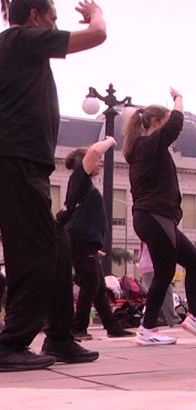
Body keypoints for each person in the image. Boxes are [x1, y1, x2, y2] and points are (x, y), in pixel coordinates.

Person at [0, 0, 107, 371]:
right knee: (40, 250)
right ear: (34, 17)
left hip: (24, 164)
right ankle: (11, 341)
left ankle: (60, 338)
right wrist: (95, 13)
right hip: (15, 162)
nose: (55, 27)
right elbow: (97, 35)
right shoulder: (21, 39)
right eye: (53, 19)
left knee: (58, 243)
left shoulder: (18, 48)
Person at [124, 89, 196, 346]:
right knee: (166, 272)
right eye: (162, 122)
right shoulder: (149, 145)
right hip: (155, 216)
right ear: (155, 123)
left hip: (153, 217)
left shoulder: (143, 150)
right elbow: (175, 125)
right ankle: (154, 327)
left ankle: (178, 320)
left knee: (193, 263)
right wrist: (179, 99)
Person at [58, 138, 134, 340]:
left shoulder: (81, 184)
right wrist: (110, 141)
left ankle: (112, 326)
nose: (99, 163)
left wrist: (94, 244)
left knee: (99, 286)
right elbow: (92, 152)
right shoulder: (80, 178)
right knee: (91, 282)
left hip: (85, 241)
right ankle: (78, 327)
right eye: (97, 161)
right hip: (81, 240)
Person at [138, 243, 181, 327]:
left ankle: (146, 320)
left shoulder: (146, 233)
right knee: (165, 291)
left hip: (147, 265)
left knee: (156, 294)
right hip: (152, 265)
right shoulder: (155, 232)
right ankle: (173, 319)